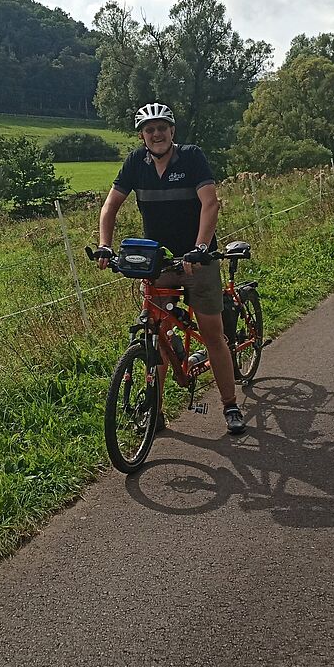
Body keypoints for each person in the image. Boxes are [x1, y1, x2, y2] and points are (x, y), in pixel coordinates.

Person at [95, 102, 247, 435]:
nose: (156, 133)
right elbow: (110, 207)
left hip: (197, 260)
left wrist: (201, 248)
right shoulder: (136, 163)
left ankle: (229, 403)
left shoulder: (191, 157)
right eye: (149, 129)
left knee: (212, 335)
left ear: (172, 131)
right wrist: (106, 244)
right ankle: (156, 414)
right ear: (142, 136)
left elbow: (210, 203)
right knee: (156, 335)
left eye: (162, 127)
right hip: (159, 262)